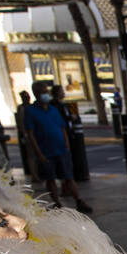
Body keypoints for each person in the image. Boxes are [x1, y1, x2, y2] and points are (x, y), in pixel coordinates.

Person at [24, 80, 91, 213]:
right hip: (45, 151)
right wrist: (39, 154)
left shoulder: (53, 109)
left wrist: (67, 145)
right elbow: (30, 134)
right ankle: (57, 203)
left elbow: (62, 128)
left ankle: (78, 200)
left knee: (68, 176)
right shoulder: (30, 111)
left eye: (46, 92)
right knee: (51, 178)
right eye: (43, 92)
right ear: (36, 93)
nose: (46, 94)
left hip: (61, 149)